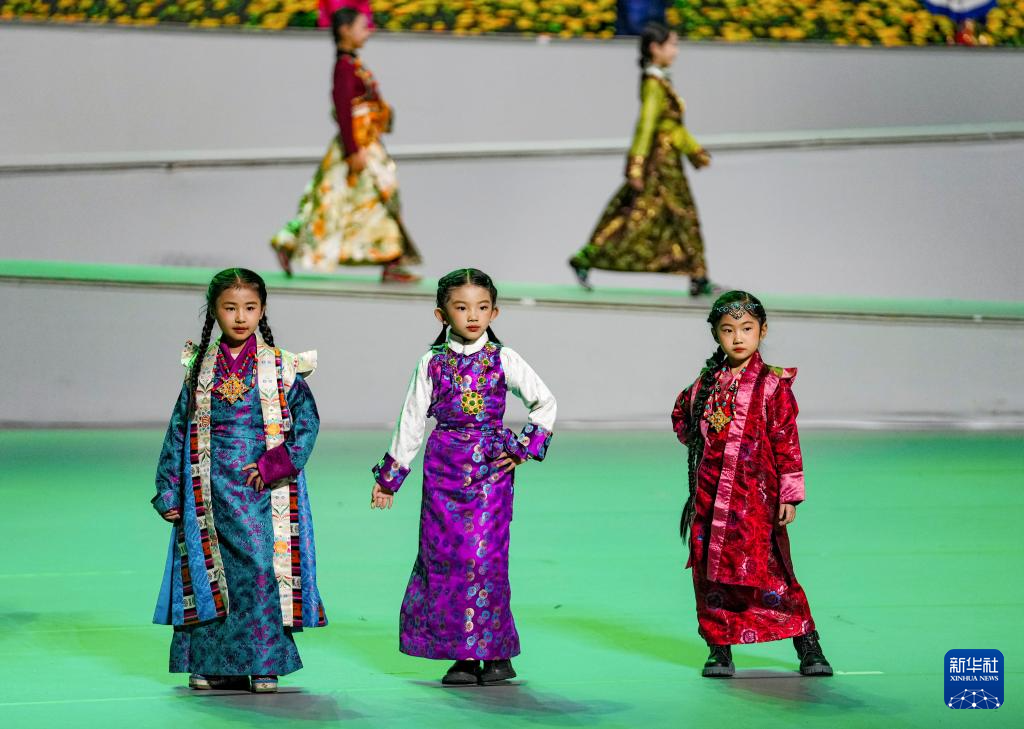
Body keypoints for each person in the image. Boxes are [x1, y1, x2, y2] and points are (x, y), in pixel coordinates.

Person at [370, 268, 556, 686]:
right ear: (441, 314)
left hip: (490, 470)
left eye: (482, 307)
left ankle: (495, 652)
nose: (473, 316)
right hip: (444, 470)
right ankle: (463, 654)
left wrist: (522, 448)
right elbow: (412, 421)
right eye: (461, 307)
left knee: (485, 559)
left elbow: (544, 402)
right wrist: (389, 479)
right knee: (446, 560)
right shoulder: (431, 363)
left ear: (495, 312)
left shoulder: (504, 359)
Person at [152, 268, 326, 693]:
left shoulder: (281, 366)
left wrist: (276, 464)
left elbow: (307, 423)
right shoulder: (200, 366)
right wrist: (168, 488)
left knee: (260, 569)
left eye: (250, 307)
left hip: (260, 490)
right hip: (206, 488)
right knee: (210, 572)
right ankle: (214, 664)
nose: (241, 316)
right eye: (230, 308)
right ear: (214, 311)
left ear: (262, 310)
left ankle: (263, 662)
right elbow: (179, 428)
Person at [671, 290, 832, 678]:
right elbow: (682, 417)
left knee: (773, 570)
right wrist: (708, 440)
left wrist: (789, 495)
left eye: (746, 328)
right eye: (728, 330)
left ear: (763, 331)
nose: (738, 337)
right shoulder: (705, 385)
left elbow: (786, 438)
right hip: (710, 501)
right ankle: (719, 648)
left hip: (756, 503)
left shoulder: (773, 385)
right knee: (711, 574)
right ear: (716, 334)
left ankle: (807, 642)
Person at [272, 8, 421, 283]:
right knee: (350, 200)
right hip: (358, 147)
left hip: (366, 144)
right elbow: (343, 109)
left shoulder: (352, 65)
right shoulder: (344, 67)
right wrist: (353, 151)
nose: (368, 32)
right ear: (345, 31)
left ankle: (391, 258)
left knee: (357, 200)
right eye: (363, 27)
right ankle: (390, 260)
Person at [570, 22, 717, 296]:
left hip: (668, 162)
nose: (676, 50)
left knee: (671, 216)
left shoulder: (660, 81)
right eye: (671, 44)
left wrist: (694, 151)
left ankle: (698, 274)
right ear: (654, 48)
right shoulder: (653, 83)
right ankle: (587, 257)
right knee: (646, 217)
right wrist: (636, 166)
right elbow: (646, 125)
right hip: (660, 165)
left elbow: (672, 128)